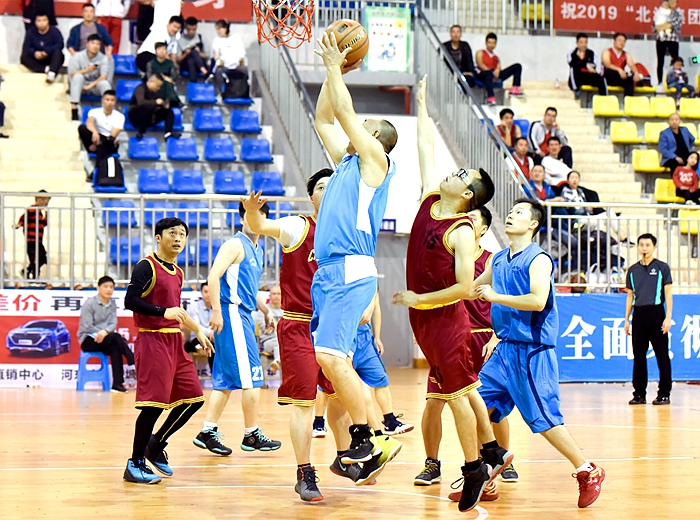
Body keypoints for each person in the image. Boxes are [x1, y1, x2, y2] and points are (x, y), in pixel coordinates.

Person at [393, 75, 510, 513]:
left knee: (457, 394)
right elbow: (424, 146)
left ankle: (475, 466)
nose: (453, 171)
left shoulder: (461, 231)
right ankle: (492, 452)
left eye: (463, 175)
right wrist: (422, 104)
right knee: (463, 390)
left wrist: (420, 300)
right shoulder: (430, 200)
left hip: (445, 321)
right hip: (425, 322)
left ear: (466, 195)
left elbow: (465, 287)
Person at [242, 170, 391, 501]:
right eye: (322, 187)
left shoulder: (349, 233)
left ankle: (343, 457)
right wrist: (252, 212)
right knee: (305, 404)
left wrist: (367, 304)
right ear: (311, 197)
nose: (329, 190)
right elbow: (260, 226)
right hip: (299, 324)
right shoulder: (299, 227)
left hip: (333, 323)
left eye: (333, 185)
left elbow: (367, 274)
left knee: (338, 397)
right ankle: (304, 472)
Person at [471, 198, 606, 508]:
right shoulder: (498, 260)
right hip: (504, 350)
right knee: (474, 405)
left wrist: (495, 296)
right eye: (510, 211)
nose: (510, 215)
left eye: (518, 212)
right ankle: (486, 472)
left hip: (532, 352)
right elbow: (470, 289)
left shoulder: (539, 259)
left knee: (544, 420)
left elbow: (537, 300)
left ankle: (587, 469)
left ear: (532, 224)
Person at [312, 31, 402, 481]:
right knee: (331, 361)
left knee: (331, 358)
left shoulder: (375, 162)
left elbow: (344, 114)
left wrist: (335, 66)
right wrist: (337, 73)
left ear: (375, 137)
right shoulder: (347, 163)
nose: (355, 126)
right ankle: (360, 443)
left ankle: (371, 437)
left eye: (365, 125)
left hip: (350, 268)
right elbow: (324, 118)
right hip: (328, 271)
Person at [413, 205, 519, 492]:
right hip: (448, 338)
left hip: (483, 339)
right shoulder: (446, 256)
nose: (464, 221)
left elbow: (507, 300)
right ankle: (432, 463)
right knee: (434, 401)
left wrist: (497, 335)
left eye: (471, 219)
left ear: (483, 229)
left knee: (492, 405)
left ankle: (498, 458)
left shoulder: (491, 260)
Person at [122, 217, 214, 485]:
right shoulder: (146, 266)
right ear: (158, 237)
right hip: (153, 341)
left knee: (194, 399)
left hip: (175, 343)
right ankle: (135, 463)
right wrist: (163, 312)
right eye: (172, 233)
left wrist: (198, 330)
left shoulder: (177, 271)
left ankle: (156, 443)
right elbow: (130, 301)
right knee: (153, 406)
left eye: (182, 234)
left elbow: (177, 311)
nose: (178, 238)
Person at [193, 202, 282, 457]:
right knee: (253, 377)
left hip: (241, 313)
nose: (256, 220)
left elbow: (249, 289)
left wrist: (266, 310)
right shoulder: (235, 244)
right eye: (252, 215)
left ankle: (207, 431)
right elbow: (213, 276)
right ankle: (251, 433)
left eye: (260, 216)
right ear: (243, 219)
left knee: (224, 380)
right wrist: (217, 311)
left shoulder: (258, 250)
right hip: (231, 313)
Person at [624, 233, 673, 406]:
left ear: (654, 247)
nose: (644, 248)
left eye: (648, 245)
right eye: (641, 245)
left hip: (656, 313)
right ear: (638, 247)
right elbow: (630, 296)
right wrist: (627, 319)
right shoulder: (632, 270)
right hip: (639, 315)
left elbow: (668, 293)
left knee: (662, 355)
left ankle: (664, 393)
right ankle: (639, 394)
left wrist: (668, 317)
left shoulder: (662, 268)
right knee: (638, 356)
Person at [78, 275, 134, 392]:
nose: (109, 289)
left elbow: (113, 323)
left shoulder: (112, 304)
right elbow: (87, 326)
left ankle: (117, 384)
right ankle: (131, 358)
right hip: (88, 339)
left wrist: (105, 332)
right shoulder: (89, 303)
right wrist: (102, 332)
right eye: (105, 286)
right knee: (116, 337)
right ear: (98, 288)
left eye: (111, 287)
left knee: (115, 348)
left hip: (105, 339)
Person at [68, 34, 111, 121]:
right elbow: (72, 73)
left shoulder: (103, 58)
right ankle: (74, 108)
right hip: (81, 85)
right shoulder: (77, 56)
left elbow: (103, 76)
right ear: (87, 44)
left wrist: (90, 86)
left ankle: (107, 111)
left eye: (98, 44)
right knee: (78, 77)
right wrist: (86, 70)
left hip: (95, 85)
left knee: (105, 84)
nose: (95, 46)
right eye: (93, 43)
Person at [475, 32, 524, 105]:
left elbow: (498, 67)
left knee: (517, 66)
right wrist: (491, 74)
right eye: (489, 42)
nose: (491, 45)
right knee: (488, 74)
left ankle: (515, 87)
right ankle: (491, 97)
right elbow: (480, 64)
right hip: (483, 74)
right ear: (486, 43)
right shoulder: (480, 52)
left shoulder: (496, 58)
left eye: (493, 43)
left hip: (494, 74)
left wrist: (496, 73)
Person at [128, 74, 181, 140]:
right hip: (136, 118)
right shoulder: (140, 88)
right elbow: (140, 103)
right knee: (145, 108)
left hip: (150, 117)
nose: (158, 88)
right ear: (151, 82)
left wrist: (163, 105)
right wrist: (155, 102)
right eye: (157, 86)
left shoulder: (156, 92)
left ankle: (168, 133)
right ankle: (141, 132)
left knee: (169, 112)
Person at [78, 89, 123, 162]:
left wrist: (98, 144)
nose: (109, 103)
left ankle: (98, 166)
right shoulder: (94, 112)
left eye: (112, 100)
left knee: (105, 142)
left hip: (109, 140)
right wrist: (95, 132)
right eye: (107, 100)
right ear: (102, 100)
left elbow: (114, 134)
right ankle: (92, 148)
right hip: (97, 137)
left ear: (115, 102)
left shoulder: (120, 116)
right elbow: (89, 122)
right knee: (82, 128)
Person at [15, 190, 50, 279]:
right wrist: (19, 224)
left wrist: (46, 214)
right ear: (39, 200)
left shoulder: (40, 213)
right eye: (46, 201)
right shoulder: (33, 209)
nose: (46, 203)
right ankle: (35, 277)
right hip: (31, 240)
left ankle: (27, 271)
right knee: (35, 259)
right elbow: (24, 216)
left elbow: (44, 224)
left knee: (42, 258)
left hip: (38, 240)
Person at [20, 13, 64, 83]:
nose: (42, 23)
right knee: (24, 57)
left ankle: (52, 73)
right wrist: (35, 53)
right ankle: (45, 69)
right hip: (37, 58)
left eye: (44, 20)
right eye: (39, 21)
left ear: (48, 21)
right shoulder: (31, 32)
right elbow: (26, 47)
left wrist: (47, 51)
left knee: (58, 53)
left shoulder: (55, 31)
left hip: (50, 57)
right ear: (35, 22)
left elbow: (60, 44)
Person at [183, 281, 215, 373]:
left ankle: (217, 376)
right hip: (197, 338)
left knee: (219, 346)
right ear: (201, 293)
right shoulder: (194, 306)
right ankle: (212, 375)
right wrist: (210, 332)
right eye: (205, 292)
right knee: (209, 347)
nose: (208, 295)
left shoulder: (217, 308)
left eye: (210, 292)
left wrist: (214, 333)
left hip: (213, 338)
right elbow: (196, 326)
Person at [210, 20, 248, 97]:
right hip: (224, 66)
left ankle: (243, 91)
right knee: (218, 70)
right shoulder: (217, 40)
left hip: (236, 65)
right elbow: (216, 55)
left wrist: (240, 61)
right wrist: (219, 60)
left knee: (244, 69)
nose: (218, 31)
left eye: (220, 29)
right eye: (217, 29)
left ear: (226, 28)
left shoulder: (236, 38)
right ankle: (220, 91)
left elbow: (241, 53)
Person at [601, 33, 644, 97]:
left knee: (629, 80)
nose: (621, 43)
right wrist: (619, 70)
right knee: (610, 72)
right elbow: (607, 64)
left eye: (623, 41)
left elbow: (631, 64)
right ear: (614, 41)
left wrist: (636, 73)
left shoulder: (626, 54)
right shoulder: (607, 52)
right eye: (619, 40)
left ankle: (628, 99)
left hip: (619, 77)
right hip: (609, 76)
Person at [567, 33, 607, 97]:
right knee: (573, 69)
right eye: (581, 42)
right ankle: (576, 90)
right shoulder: (572, 53)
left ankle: (604, 97)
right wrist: (585, 64)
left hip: (588, 75)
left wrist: (582, 62)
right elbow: (572, 63)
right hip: (578, 77)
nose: (584, 45)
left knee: (601, 78)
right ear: (577, 43)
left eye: (585, 42)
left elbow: (593, 65)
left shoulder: (591, 53)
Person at [255, 284, 283, 374]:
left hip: (285, 340)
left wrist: (276, 326)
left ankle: (277, 362)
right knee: (279, 342)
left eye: (278, 294)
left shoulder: (286, 310)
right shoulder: (264, 310)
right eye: (274, 294)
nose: (276, 296)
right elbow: (266, 328)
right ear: (269, 296)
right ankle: (277, 361)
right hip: (268, 342)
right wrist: (281, 328)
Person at [654, 0, 682, 87]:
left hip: (673, 39)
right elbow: (654, 27)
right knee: (660, 61)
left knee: (676, 60)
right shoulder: (659, 12)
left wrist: (661, 26)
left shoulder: (677, 14)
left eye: (675, 2)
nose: (673, 3)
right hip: (661, 39)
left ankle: (676, 80)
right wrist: (661, 26)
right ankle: (660, 82)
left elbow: (672, 25)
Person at [146, 42, 181, 107]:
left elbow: (173, 76)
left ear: (166, 51)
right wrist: (162, 78)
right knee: (164, 83)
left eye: (163, 49)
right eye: (159, 49)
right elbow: (149, 76)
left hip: (168, 82)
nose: (161, 51)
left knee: (167, 83)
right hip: (155, 83)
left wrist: (167, 79)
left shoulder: (170, 63)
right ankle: (173, 101)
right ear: (155, 51)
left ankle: (167, 101)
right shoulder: (151, 63)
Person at [177, 17, 209, 82]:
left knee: (193, 55)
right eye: (189, 30)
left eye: (193, 30)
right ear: (186, 28)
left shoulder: (201, 38)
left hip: (200, 62)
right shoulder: (180, 40)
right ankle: (204, 71)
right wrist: (186, 54)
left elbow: (207, 56)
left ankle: (193, 80)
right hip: (186, 65)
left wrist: (199, 53)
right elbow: (178, 60)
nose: (191, 32)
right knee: (191, 58)